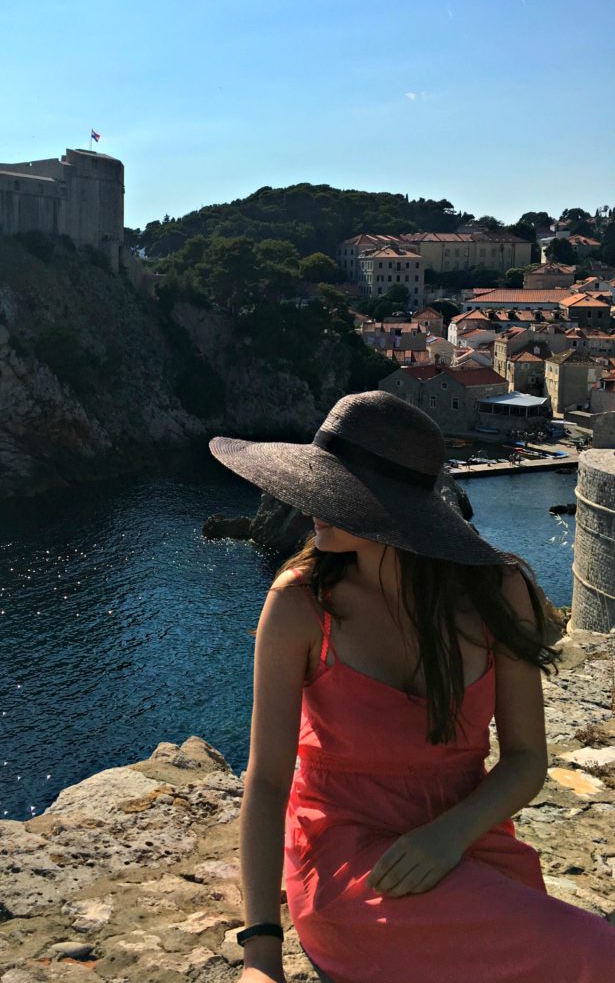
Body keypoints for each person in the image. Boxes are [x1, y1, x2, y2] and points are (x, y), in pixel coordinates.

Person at [209, 391, 615, 983]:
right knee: (591, 950)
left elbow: (527, 759)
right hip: (345, 857)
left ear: (389, 508)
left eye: (334, 491)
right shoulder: (301, 604)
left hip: (468, 837)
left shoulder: (499, 595)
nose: (309, 504)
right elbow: (269, 779)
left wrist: (450, 835)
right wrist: (261, 954)